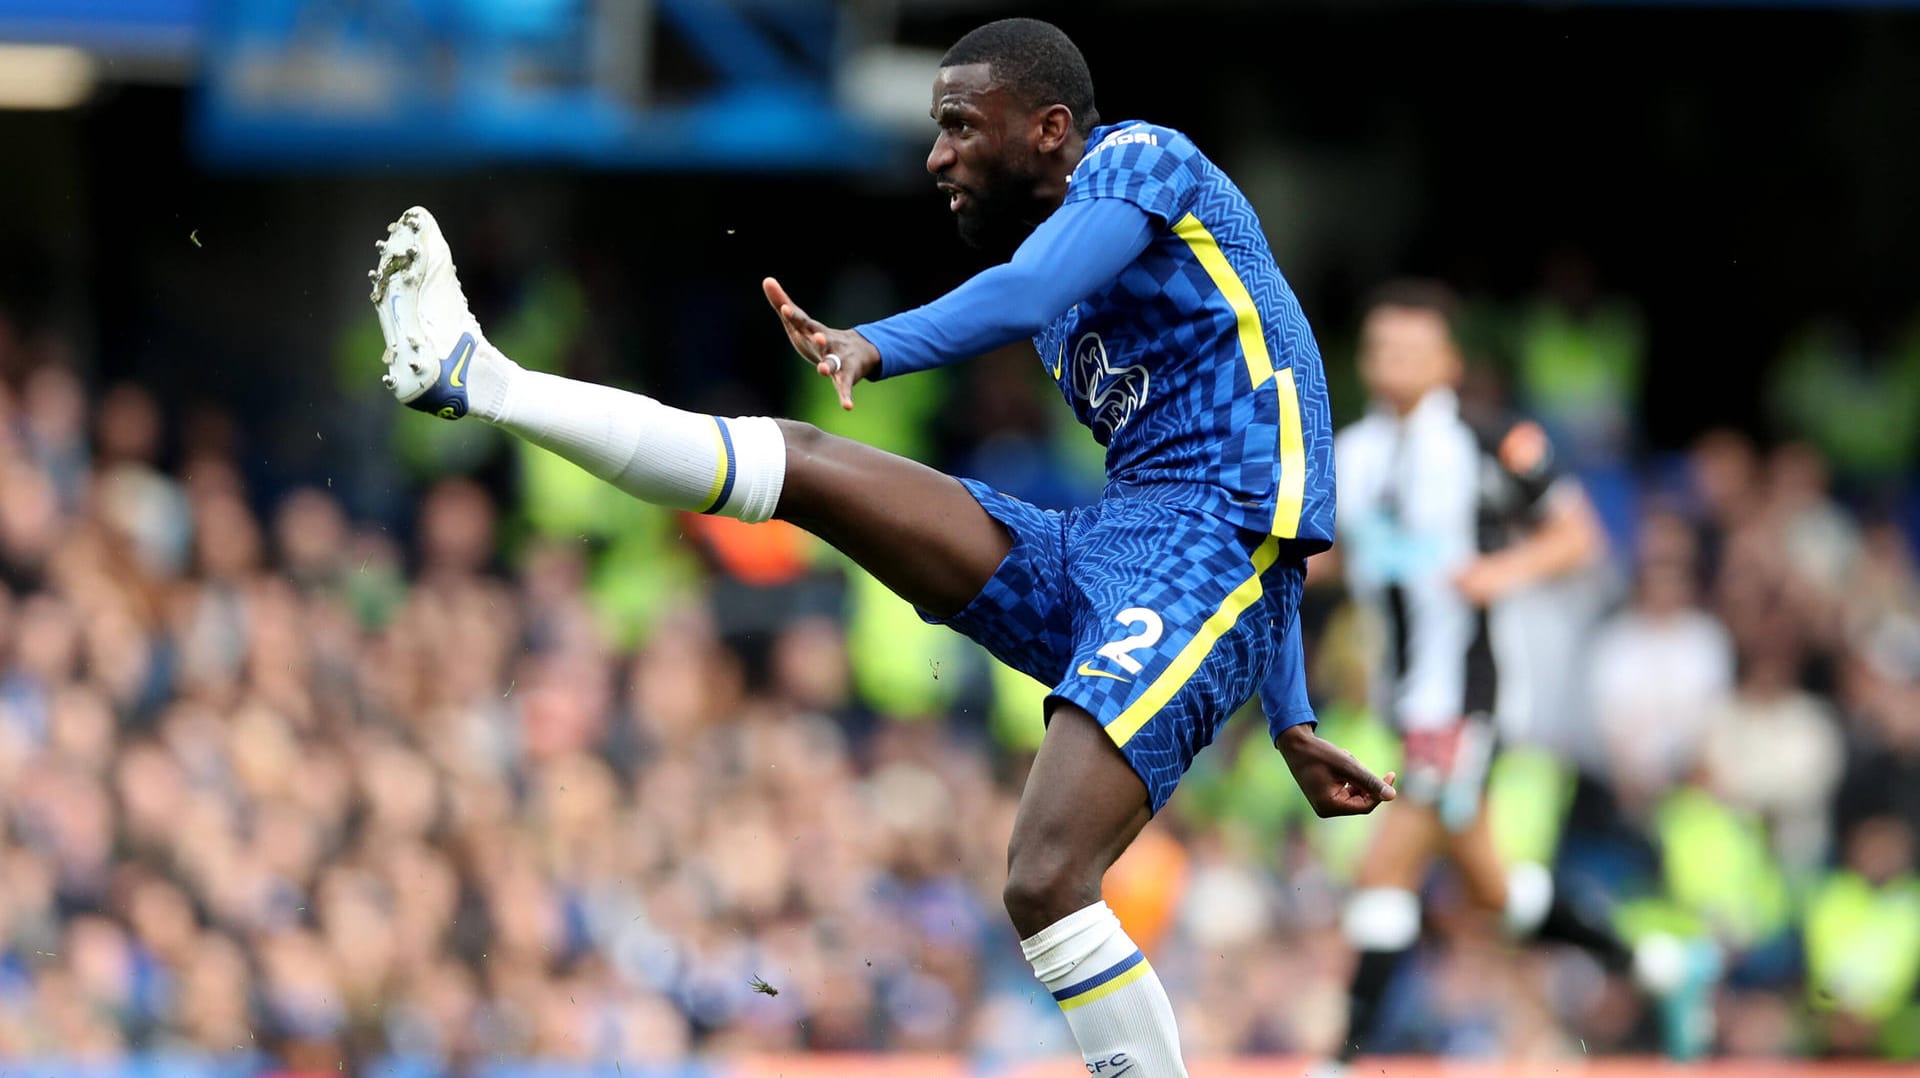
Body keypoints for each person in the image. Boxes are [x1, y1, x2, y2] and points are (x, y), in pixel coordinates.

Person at [366, 17, 1394, 1075]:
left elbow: (1245, 526)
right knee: (805, 464)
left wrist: (876, 343)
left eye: (960, 125)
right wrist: (1291, 716)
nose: (937, 154)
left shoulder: (1144, 160)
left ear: (1050, 129)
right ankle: (480, 379)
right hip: (1118, 542)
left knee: (1045, 877)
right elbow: (1263, 539)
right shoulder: (1058, 300)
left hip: (1192, 542)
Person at [1289, 281, 1718, 1068]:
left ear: (1450, 361)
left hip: (1466, 694)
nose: (1395, 361)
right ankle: (1659, 966)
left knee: (1387, 864)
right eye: (1382, 347)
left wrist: (1500, 572)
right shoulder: (1351, 450)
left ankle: (1343, 1055)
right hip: (1401, 696)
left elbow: (1579, 537)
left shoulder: (1490, 442)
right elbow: (1349, 557)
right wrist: (1270, 579)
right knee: (1491, 889)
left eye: (1413, 348)